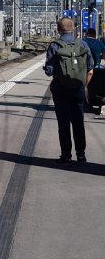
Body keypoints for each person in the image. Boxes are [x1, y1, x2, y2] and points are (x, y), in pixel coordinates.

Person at [44, 17, 93, 164]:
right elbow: (90, 69)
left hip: (60, 88)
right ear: (73, 29)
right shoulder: (82, 44)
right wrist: (83, 85)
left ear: (58, 30)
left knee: (63, 122)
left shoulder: (55, 45)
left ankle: (66, 155)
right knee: (78, 121)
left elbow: (49, 71)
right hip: (78, 88)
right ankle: (81, 155)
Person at [84, 28, 105, 112]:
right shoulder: (100, 43)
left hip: (83, 69)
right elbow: (104, 56)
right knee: (94, 87)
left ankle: (85, 104)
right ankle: (93, 103)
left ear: (87, 34)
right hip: (97, 69)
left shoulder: (82, 42)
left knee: (84, 87)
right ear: (95, 35)